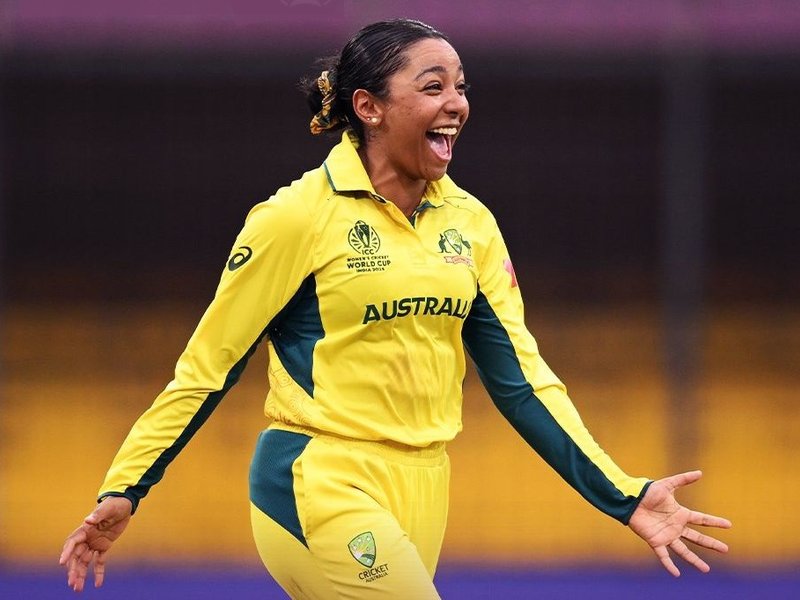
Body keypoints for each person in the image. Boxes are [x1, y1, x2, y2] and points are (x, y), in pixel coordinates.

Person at [60, 18, 731, 598]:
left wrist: (622, 495)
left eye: (461, 87)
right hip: (316, 478)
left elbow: (523, 382)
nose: (456, 104)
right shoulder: (295, 217)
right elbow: (208, 367)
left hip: (424, 483)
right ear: (369, 107)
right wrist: (127, 486)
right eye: (433, 87)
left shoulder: (470, 223)